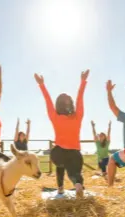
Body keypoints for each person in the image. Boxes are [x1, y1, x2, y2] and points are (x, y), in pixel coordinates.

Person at [34, 69, 90, 198]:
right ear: (71, 105)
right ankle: (77, 184)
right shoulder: (78, 116)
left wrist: (41, 84)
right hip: (75, 153)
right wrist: (83, 82)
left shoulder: (55, 116)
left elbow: (47, 101)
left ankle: (60, 188)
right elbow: (80, 99)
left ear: (57, 105)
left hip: (58, 153)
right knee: (74, 172)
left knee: (61, 164)